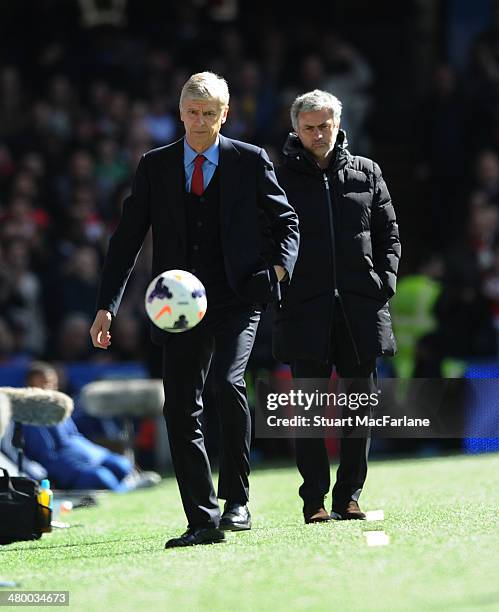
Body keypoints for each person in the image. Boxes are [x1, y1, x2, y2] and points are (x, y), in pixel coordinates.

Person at [90, 72, 299, 548]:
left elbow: (286, 221)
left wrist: (279, 273)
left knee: (228, 384)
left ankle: (237, 502)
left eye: (210, 113)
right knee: (181, 407)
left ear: (226, 114)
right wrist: (107, 306)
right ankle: (201, 519)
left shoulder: (249, 160)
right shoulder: (154, 166)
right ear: (179, 113)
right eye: (192, 112)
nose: (200, 122)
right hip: (176, 305)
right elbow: (126, 241)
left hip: (237, 298)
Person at [273, 90, 400, 524]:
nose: (318, 134)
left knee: (359, 408)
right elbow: (266, 237)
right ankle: (314, 502)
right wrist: (281, 288)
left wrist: (383, 284)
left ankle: (349, 496)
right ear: (296, 130)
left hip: (360, 308)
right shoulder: (277, 176)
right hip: (305, 309)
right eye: (309, 127)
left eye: (324, 125)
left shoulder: (367, 172)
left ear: (338, 124)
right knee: (307, 411)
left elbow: (390, 235)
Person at [14, 361, 161, 491]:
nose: (49, 387)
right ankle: (126, 489)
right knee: (101, 477)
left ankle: (130, 484)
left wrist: (97, 453)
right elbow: (48, 457)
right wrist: (76, 468)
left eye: (52, 383)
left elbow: (75, 436)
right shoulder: (30, 419)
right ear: (30, 385)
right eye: (43, 383)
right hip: (73, 467)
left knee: (122, 464)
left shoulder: (59, 408)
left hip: (89, 455)